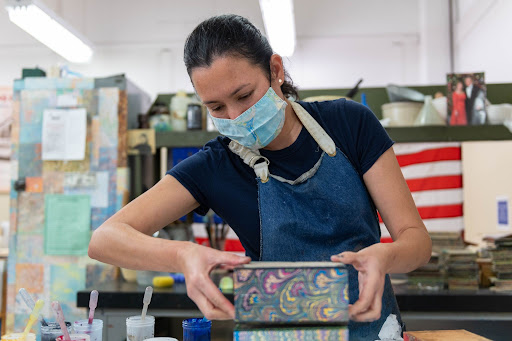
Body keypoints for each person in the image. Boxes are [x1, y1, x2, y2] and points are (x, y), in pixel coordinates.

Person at [88, 14, 432, 340]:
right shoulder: (214, 166)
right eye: (217, 108)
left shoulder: (349, 123)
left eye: (244, 95)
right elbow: (105, 239)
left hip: (373, 331)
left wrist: (385, 256)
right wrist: (182, 255)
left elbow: (416, 241)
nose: (237, 117)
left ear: (275, 70)